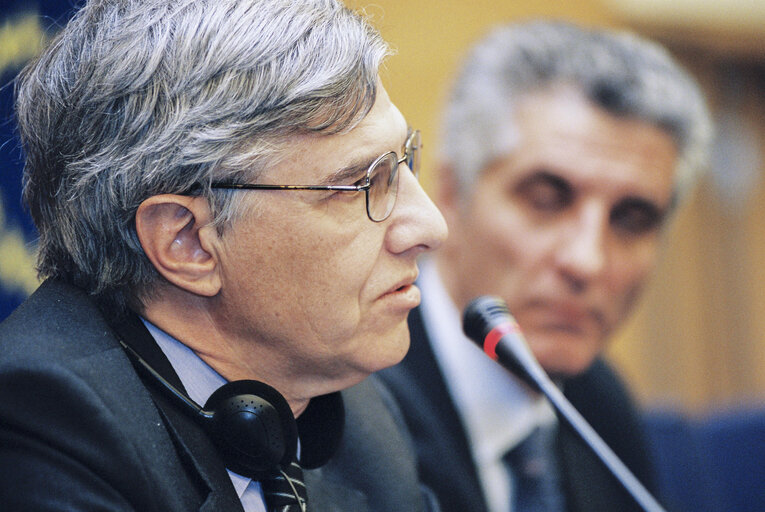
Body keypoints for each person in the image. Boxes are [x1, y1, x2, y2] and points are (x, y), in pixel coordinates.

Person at [0, 1, 448, 511]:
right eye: (359, 185)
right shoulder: (43, 423)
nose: (431, 226)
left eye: (404, 161)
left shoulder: (357, 419)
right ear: (187, 242)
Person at [379, 20, 712, 512]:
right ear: (449, 195)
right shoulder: (356, 401)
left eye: (631, 219)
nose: (587, 261)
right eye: (546, 200)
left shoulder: (599, 403)